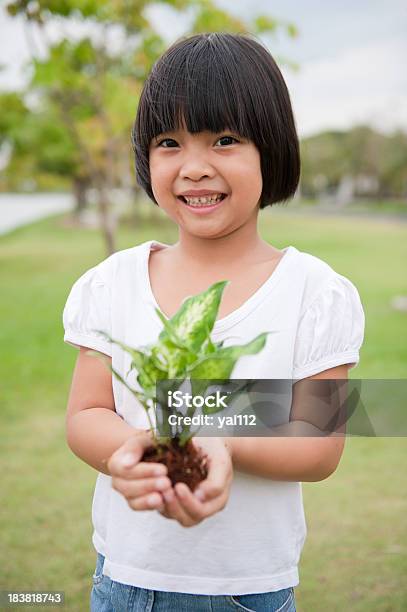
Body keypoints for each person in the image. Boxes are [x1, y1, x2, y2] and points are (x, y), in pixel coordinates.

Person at [63, 32, 365, 612]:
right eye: (169, 142)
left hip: (247, 592)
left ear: (271, 149)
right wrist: (138, 450)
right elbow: (85, 415)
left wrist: (212, 437)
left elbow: (320, 443)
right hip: (123, 581)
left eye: (224, 139)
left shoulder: (315, 292)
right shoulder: (112, 283)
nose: (194, 168)